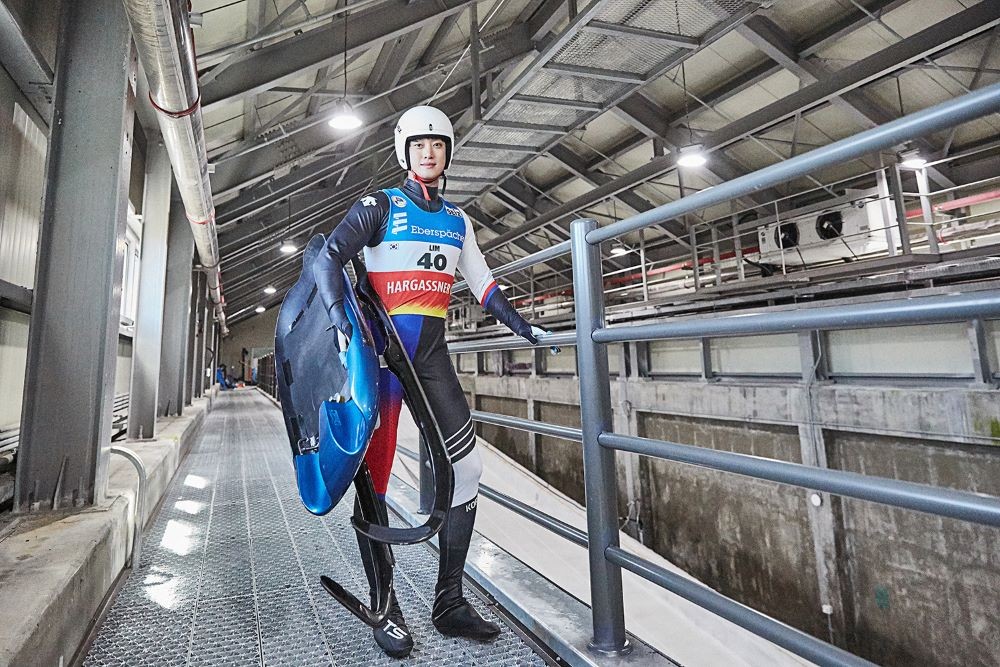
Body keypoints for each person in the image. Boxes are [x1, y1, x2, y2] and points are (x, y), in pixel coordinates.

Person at [312, 105, 548, 658]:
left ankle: (449, 602)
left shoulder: (458, 221)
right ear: (404, 151)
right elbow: (329, 259)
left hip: (432, 357)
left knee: (469, 469)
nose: (428, 153)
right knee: (374, 477)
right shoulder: (379, 206)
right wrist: (341, 320)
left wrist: (521, 325)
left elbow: (484, 286)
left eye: (437, 145)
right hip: (382, 360)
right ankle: (386, 605)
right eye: (418, 145)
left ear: (447, 155)